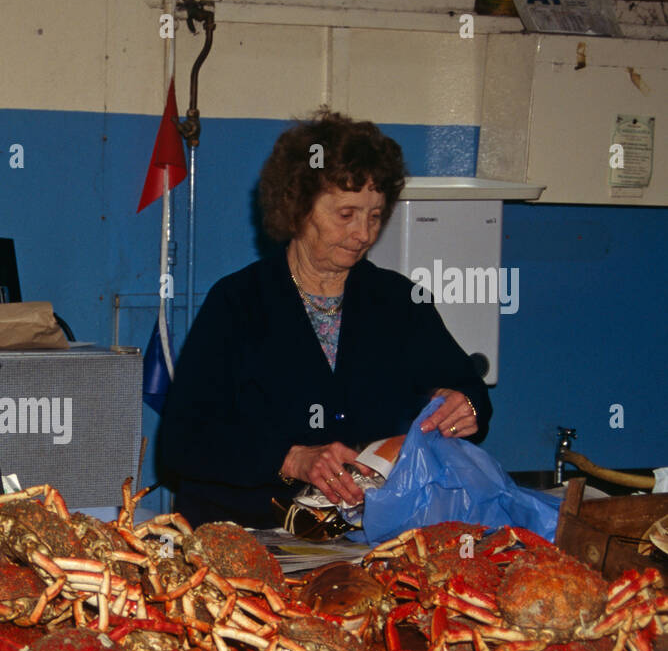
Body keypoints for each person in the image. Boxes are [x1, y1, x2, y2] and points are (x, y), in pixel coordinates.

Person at [157, 109, 492, 529]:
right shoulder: (238, 303)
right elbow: (181, 442)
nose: (364, 234)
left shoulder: (400, 302)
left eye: (375, 216)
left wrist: (467, 405)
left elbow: (469, 390)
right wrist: (290, 457)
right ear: (297, 209)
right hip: (250, 534)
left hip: (368, 536)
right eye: (346, 214)